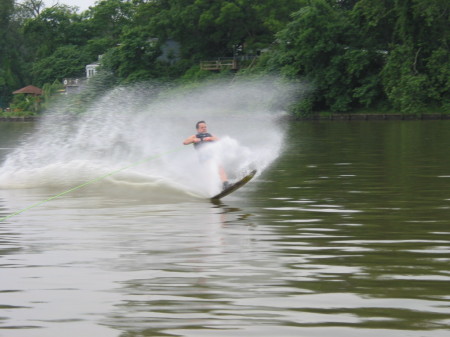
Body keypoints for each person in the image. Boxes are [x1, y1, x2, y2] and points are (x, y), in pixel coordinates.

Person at [183, 121, 230, 189]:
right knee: (210, 169)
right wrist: (193, 140)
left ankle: (225, 184)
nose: (204, 128)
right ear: (198, 129)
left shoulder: (209, 135)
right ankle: (212, 187)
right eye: (202, 127)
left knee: (220, 168)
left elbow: (219, 140)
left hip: (212, 155)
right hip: (203, 157)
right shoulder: (195, 136)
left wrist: (211, 138)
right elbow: (185, 142)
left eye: (205, 127)